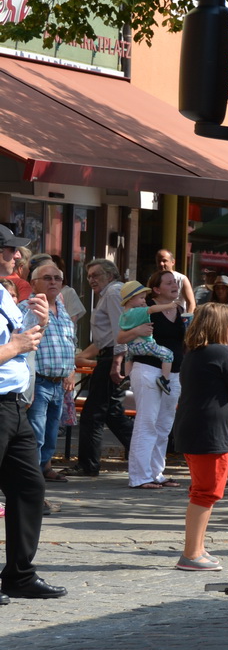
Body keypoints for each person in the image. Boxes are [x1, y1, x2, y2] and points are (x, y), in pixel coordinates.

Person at [171, 304, 228, 571]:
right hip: (211, 432)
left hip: (194, 428)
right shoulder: (221, 352)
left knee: (202, 491)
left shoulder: (194, 353)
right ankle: (191, 553)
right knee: (206, 493)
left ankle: (196, 548)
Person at [0, 278, 65, 602]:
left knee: (30, 487)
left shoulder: (3, 294)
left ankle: (18, 576)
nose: (15, 256)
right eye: (9, 249)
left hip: (13, 405)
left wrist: (39, 323)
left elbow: (21, 341)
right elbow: (14, 345)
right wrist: (15, 347)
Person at [121, 270, 188, 490]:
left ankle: (155, 472)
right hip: (149, 369)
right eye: (169, 283)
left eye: (175, 282)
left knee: (164, 425)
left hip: (174, 373)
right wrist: (137, 332)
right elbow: (120, 337)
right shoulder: (145, 309)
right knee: (146, 423)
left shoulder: (179, 309)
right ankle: (139, 476)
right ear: (157, 289)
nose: (174, 285)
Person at [72, 258, 131, 475]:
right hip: (109, 355)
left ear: (110, 274)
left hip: (113, 357)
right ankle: (144, 455)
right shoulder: (108, 294)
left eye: (95, 275)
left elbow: (120, 329)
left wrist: (117, 362)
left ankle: (88, 465)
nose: (91, 280)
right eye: (89, 276)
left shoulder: (114, 292)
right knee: (111, 412)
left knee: (93, 413)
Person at [26, 260, 77, 482]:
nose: (54, 282)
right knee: (35, 434)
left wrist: (71, 370)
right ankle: (32, 477)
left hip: (59, 383)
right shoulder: (27, 308)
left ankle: (44, 469)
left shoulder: (62, 309)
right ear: (33, 283)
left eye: (57, 278)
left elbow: (70, 342)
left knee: (50, 433)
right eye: (47, 278)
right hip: (38, 381)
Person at [118, 279, 178, 393]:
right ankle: (164, 379)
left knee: (128, 358)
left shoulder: (123, 315)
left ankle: (127, 377)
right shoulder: (138, 312)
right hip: (144, 345)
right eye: (141, 298)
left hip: (131, 348)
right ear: (131, 299)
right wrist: (168, 306)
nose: (144, 300)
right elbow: (151, 309)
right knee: (168, 355)